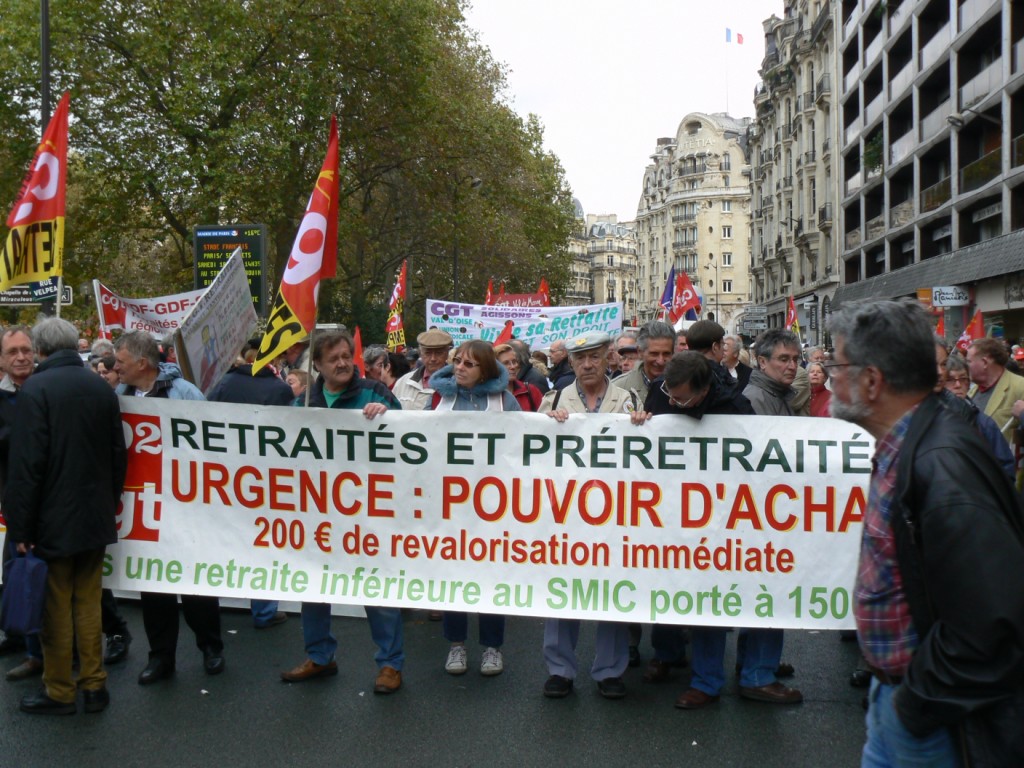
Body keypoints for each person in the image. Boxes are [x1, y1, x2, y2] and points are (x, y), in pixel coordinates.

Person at [828, 299, 1024, 767]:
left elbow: (990, 622)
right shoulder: (909, 446)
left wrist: (916, 703)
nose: (829, 375)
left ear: (872, 381)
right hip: (899, 699)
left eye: (837, 363)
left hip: (929, 719)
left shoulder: (942, 463)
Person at [4, 318, 127, 715]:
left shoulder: (35, 389)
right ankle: (94, 686)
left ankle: (58, 690)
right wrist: (109, 503)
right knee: (88, 602)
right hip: (94, 516)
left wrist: (21, 527)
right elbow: (117, 455)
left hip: (52, 519)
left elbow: (28, 466)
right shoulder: (100, 387)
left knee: (55, 608)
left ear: (39, 349)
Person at [280, 329, 406, 694]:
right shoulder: (303, 403)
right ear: (316, 364)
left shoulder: (375, 392)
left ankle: (390, 664)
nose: (341, 363)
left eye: (345, 355)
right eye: (332, 358)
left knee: (376, 587)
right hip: (320, 513)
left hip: (369, 513)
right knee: (315, 587)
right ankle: (320, 656)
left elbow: (410, 439)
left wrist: (388, 417)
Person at [638, 352, 755, 701]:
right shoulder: (663, 391)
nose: (672, 403)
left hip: (717, 518)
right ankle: (666, 653)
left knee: (707, 597)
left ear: (704, 391)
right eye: (669, 396)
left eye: (682, 399)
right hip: (668, 511)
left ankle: (707, 681)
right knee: (667, 586)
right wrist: (641, 420)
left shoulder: (736, 407)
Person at [113, 331, 226, 685]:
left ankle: (211, 647)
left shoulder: (185, 393)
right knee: (154, 588)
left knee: (195, 585)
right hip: (146, 505)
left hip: (185, 505)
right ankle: (161, 657)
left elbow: (210, 442)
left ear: (142, 364)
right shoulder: (123, 394)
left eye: (121, 361)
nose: (115, 367)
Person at [539, 331, 641, 700]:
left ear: (607, 358)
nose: (587, 365)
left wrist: (644, 423)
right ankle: (560, 669)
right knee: (562, 588)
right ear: (571, 362)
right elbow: (533, 453)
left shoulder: (628, 399)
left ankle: (610, 670)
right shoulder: (554, 400)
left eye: (594, 357)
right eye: (580, 359)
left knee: (611, 588)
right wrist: (548, 424)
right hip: (565, 513)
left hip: (615, 513)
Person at [427, 340, 519, 676]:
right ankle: (456, 645)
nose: (460, 369)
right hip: (450, 509)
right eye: (457, 362)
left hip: (493, 511)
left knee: (491, 578)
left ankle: (492, 648)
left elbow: (526, 444)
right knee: (455, 577)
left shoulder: (503, 400)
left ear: (485, 370)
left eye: (468, 364)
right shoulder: (440, 399)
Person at [727, 329, 804, 705]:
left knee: (763, 595)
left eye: (795, 359)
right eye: (783, 360)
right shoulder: (758, 399)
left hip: (765, 512)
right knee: (769, 593)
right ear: (762, 362)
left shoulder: (771, 395)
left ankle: (754, 663)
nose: (792, 366)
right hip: (763, 516)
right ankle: (758, 673)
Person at [207, 342, 294, 630]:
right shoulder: (279, 389)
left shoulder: (224, 383)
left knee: (225, 536)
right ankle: (264, 611)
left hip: (226, 475)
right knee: (263, 540)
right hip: (266, 479)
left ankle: (213, 599)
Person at [967, 337, 1024, 444]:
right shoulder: (971, 391)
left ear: (984, 362)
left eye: (969, 361)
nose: (966, 366)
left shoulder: (1020, 387)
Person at [613, 321, 676, 407]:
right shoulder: (617, 388)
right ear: (640, 352)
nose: (660, 361)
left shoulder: (686, 386)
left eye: (666, 354)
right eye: (654, 354)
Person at [391, 329, 453, 410]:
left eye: (439, 353)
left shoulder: (457, 383)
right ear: (421, 353)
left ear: (447, 354)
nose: (433, 358)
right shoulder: (403, 382)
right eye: (428, 353)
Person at [495, 343, 543, 411]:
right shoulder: (488, 395)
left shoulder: (530, 391)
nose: (512, 366)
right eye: (506, 363)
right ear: (495, 367)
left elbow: (544, 416)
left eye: (514, 362)